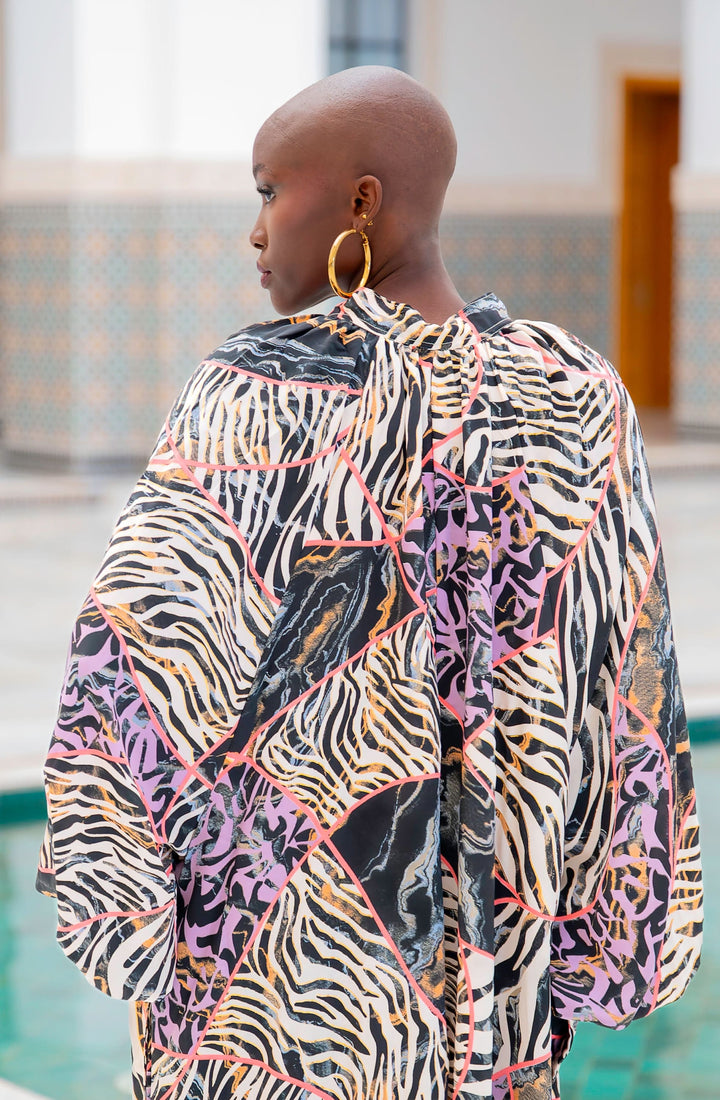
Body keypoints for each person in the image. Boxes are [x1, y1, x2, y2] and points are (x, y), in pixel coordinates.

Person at [37, 66, 702, 1100]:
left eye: (270, 190)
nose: (256, 229)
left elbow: (129, 677)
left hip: (280, 992)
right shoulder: (580, 396)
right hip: (496, 992)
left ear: (361, 201)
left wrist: (118, 904)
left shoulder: (252, 392)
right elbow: (626, 694)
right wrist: (606, 941)